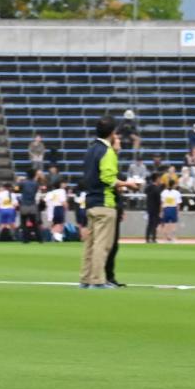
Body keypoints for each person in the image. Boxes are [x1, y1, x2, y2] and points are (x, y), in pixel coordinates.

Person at [78, 117, 122, 288]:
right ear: (112, 133)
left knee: (90, 244)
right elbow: (108, 178)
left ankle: (85, 278)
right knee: (102, 244)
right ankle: (97, 280)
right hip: (105, 202)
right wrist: (127, 184)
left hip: (91, 202)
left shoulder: (90, 150)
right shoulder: (107, 151)